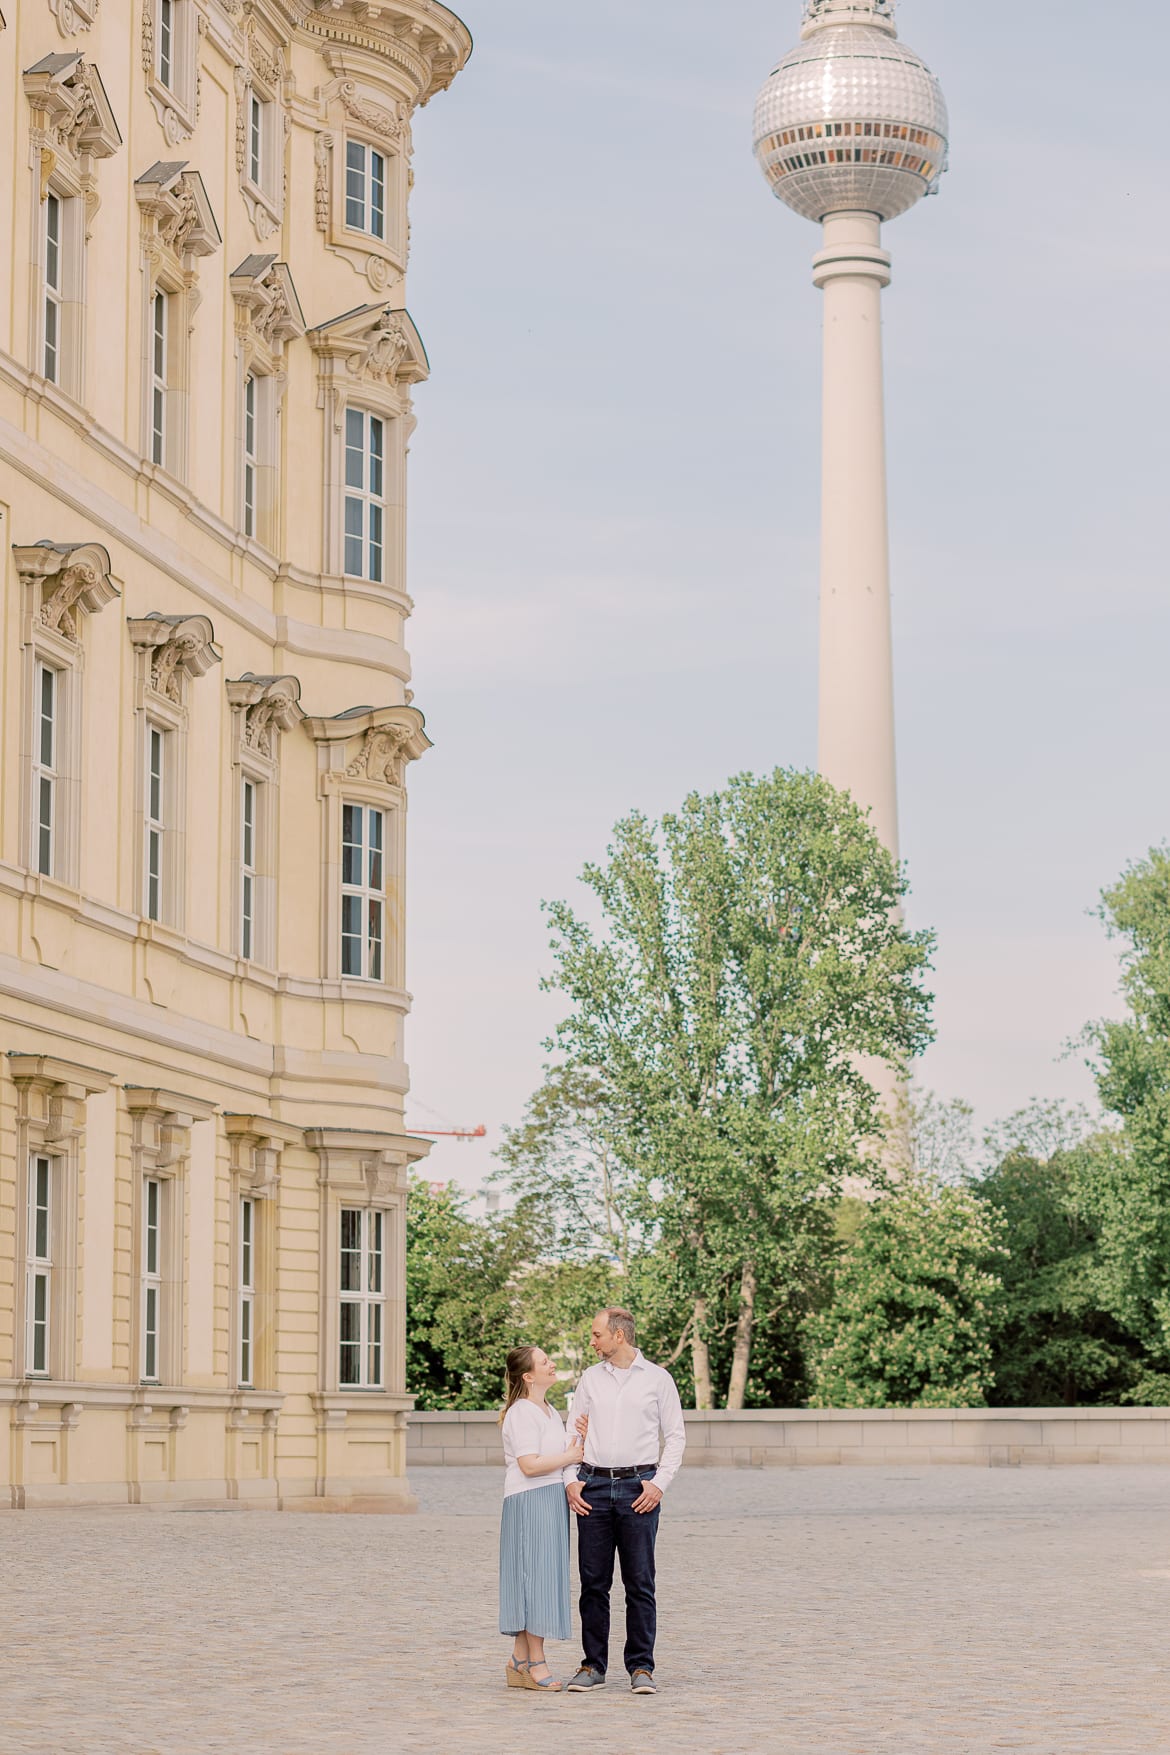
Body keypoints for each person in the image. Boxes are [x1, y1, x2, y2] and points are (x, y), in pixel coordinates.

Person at [563, 1308, 686, 1696]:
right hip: (594, 1488)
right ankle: (593, 1665)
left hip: (639, 1489)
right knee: (593, 1583)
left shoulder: (658, 1379)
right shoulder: (589, 1379)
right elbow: (572, 1430)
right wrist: (571, 1480)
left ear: (619, 1336)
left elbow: (676, 1437)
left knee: (639, 1583)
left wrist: (659, 1484)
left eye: (597, 1334)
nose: (592, 1341)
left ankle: (641, 1668)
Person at [498, 1344, 585, 1692]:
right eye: (544, 1361)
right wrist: (569, 1456)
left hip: (549, 1498)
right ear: (528, 1376)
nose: (552, 1364)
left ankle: (519, 1660)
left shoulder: (548, 1410)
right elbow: (529, 1465)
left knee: (542, 1578)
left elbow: (558, 1454)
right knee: (533, 1579)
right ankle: (536, 1662)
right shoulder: (522, 1412)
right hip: (528, 1497)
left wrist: (577, 1439)